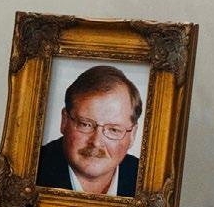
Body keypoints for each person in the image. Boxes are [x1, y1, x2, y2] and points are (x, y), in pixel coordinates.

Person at [36, 65, 142, 197]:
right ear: (64, 121)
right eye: (85, 124)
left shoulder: (146, 181)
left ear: (132, 135)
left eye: (114, 130)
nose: (96, 142)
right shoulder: (31, 169)